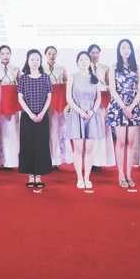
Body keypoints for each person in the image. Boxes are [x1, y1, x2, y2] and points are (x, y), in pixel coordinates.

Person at [107, 39, 140, 188]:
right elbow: (112, 89)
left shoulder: (137, 68)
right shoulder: (114, 67)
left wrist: (132, 106)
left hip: (134, 106)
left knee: (131, 143)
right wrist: (124, 107)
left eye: (128, 47)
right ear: (119, 50)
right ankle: (121, 175)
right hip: (119, 107)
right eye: (123, 47)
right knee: (121, 141)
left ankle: (129, 175)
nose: (126, 50)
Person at [66, 51, 104, 189]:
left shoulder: (95, 78)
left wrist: (92, 111)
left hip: (92, 115)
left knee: (89, 149)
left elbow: (98, 98)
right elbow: (69, 98)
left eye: (86, 59)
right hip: (77, 115)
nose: (83, 62)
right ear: (77, 62)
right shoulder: (72, 77)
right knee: (78, 149)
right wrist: (80, 111)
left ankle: (87, 177)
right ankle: (79, 178)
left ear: (90, 62)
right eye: (81, 59)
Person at [17, 49, 53, 188]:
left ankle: (39, 175)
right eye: (32, 59)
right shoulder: (23, 78)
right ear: (27, 61)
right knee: (28, 144)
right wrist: (30, 114)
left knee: (41, 145)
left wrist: (42, 113)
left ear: (40, 61)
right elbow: (20, 98)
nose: (35, 62)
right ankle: (30, 175)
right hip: (27, 117)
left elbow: (49, 97)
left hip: (42, 116)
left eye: (37, 59)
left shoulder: (45, 77)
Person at [88, 44, 116, 169]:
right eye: (92, 52)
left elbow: (111, 85)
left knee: (102, 129)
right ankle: (90, 160)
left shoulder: (105, 68)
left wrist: (106, 88)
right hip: (88, 102)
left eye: (96, 52)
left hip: (103, 102)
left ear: (100, 54)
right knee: (89, 130)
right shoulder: (84, 66)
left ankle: (100, 160)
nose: (94, 55)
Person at [43, 46, 71, 167]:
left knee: (59, 130)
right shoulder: (41, 68)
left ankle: (57, 159)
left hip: (59, 103)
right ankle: (48, 158)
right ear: (45, 55)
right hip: (46, 103)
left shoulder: (62, 68)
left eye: (54, 53)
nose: (52, 56)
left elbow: (66, 83)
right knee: (48, 131)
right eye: (49, 53)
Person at [0, 45, 20, 168]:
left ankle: (11, 161)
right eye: (3, 53)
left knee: (11, 131)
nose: (5, 56)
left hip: (12, 104)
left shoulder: (16, 69)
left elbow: (21, 87)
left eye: (7, 53)